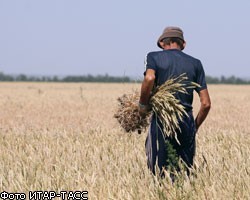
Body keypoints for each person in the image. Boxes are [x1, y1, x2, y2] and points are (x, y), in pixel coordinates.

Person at [138, 26, 211, 176]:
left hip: (162, 120)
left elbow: (149, 78)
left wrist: (142, 105)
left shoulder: (153, 57)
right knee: (184, 172)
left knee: (159, 172)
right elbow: (206, 103)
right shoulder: (196, 63)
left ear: (163, 43)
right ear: (183, 44)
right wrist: (193, 127)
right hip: (186, 120)